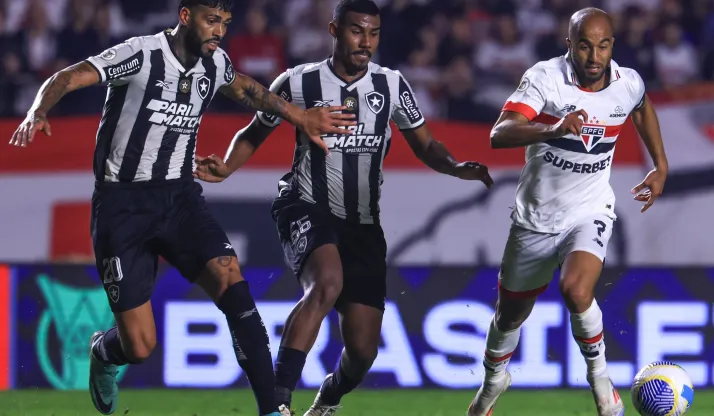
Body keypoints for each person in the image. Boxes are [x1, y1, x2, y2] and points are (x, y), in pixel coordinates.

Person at [8, 1, 356, 415]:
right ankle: (104, 352)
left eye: (225, 24)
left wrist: (299, 116)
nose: (219, 32)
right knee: (139, 345)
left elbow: (244, 87)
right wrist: (37, 109)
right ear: (186, 16)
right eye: (212, 21)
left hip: (179, 197)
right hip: (123, 206)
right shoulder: (140, 55)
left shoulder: (215, 64)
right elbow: (69, 76)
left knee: (231, 281)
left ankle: (271, 409)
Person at [193, 0, 494, 414]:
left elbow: (424, 144)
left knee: (363, 351)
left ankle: (329, 397)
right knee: (326, 283)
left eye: (373, 33)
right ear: (334, 31)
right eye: (356, 31)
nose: (365, 41)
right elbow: (255, 130)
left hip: (363, 224)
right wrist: (226, 166)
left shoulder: (391, 85)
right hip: (305, 204)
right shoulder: (298, 82)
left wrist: (455, 167)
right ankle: (276, 402)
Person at [467, 7, 668, 416]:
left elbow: (642, 107)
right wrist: (554, 128)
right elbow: (498, 133)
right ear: (569, 45)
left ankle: (600, 380)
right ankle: (492, 385)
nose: (595, 56)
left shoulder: (626, 82)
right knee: (509, 318)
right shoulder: (544, 79)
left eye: (604, 45)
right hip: (535, 219)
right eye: (585, 46)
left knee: (576, 290)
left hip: (589, 209)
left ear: (613, 44)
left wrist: (660, 165)